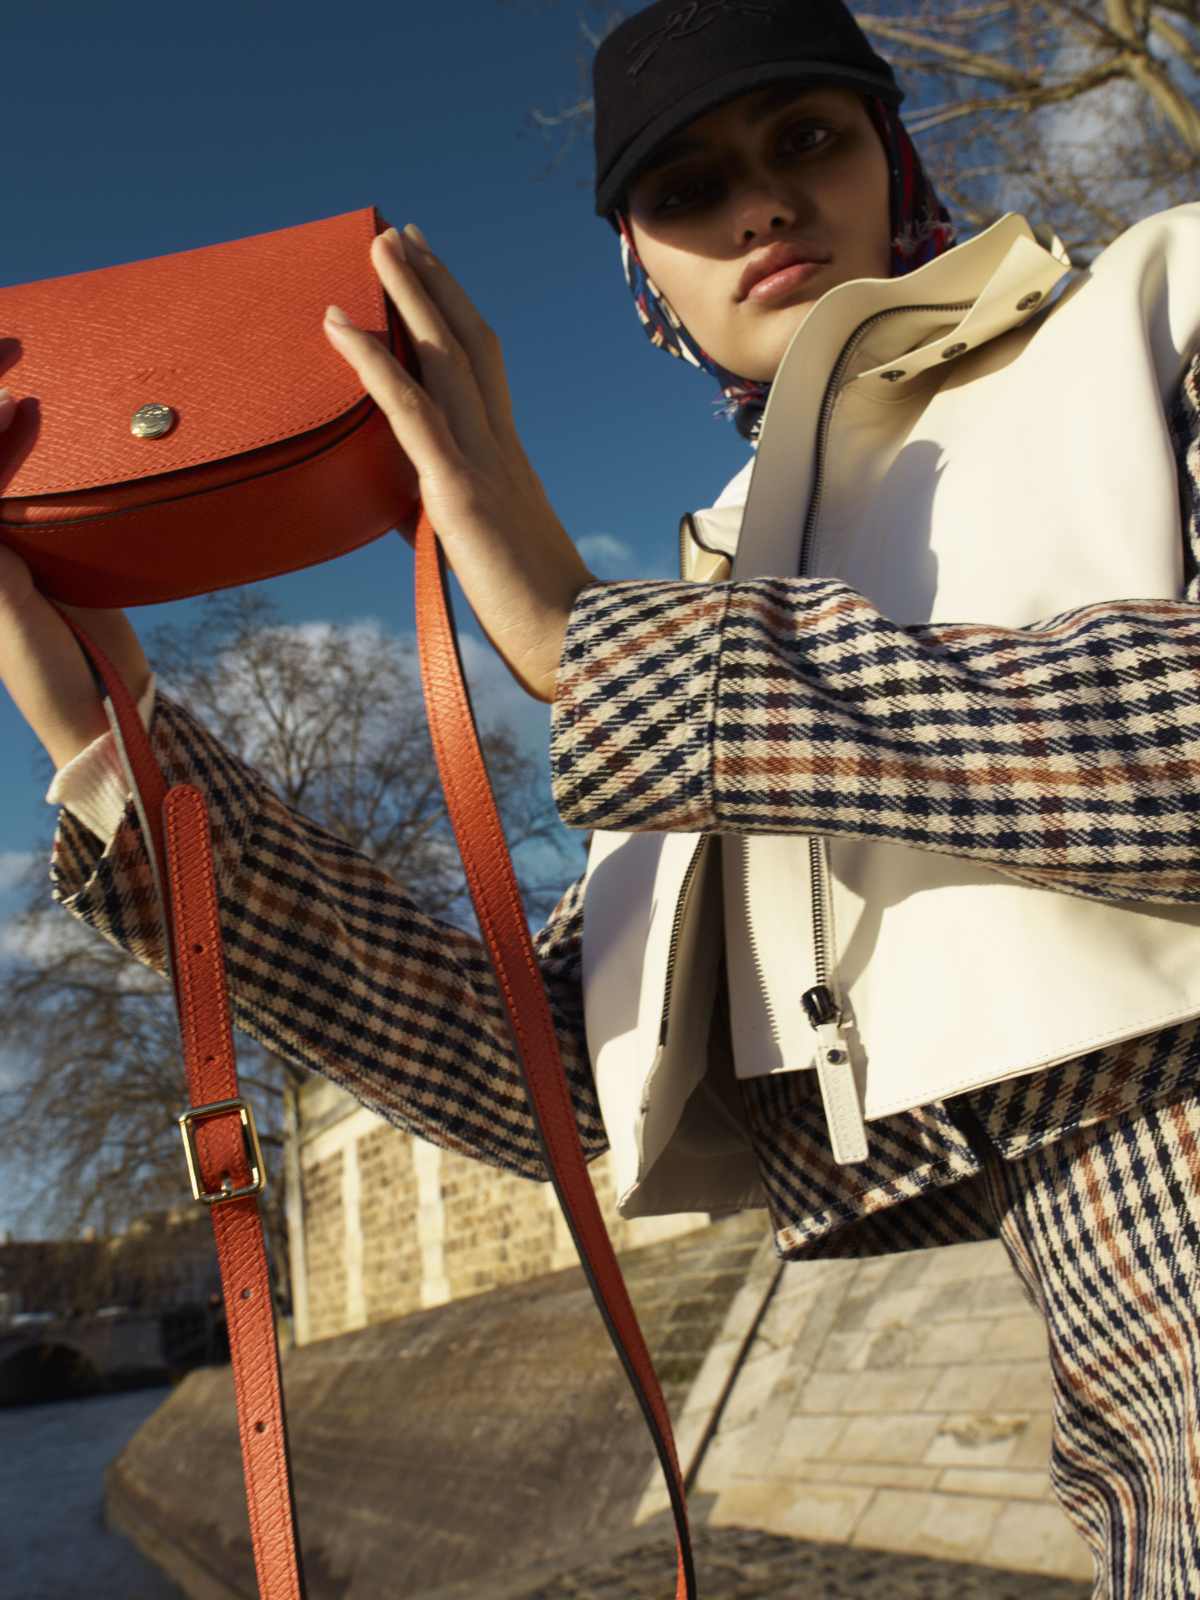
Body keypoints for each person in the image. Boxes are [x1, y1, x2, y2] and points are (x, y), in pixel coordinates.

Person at [2, 0, 1199, 1591]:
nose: (760, 203)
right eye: (687, 188)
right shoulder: (721, 563)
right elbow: (562, 1080)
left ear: (891, 153)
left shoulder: (1162, 299)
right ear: (646, 267)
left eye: (807, 139)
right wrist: (122, 749)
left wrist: (592, 640)